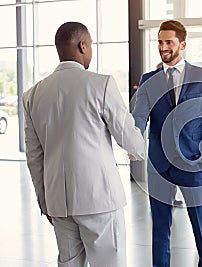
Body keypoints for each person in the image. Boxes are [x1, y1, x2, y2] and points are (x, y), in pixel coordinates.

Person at [23, 22, 145, 267]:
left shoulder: (33, 95)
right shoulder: (102, 84)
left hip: (59, 202)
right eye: (90, 46)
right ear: (82, 45)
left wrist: (45, 202)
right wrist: (139, 149)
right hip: (100, 198)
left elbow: (34, 157)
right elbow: (128, 137)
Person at [132, 20, 202, 267]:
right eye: (160, 42)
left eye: (169, 42)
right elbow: (139, 117)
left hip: (193, 164)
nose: (163, 47)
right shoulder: (148, 79)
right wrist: (133, 143)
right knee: (160, 230)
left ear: (182, 44)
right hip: (159, 166)